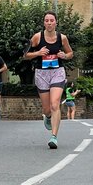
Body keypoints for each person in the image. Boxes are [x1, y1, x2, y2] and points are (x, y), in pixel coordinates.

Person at [24, 10, 73, 149]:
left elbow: (70, 53)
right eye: (47, 20)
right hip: (42, 74)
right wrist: (38, 53)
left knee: (55, 104)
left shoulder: (62, 38)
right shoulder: (37, 37)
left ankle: (54, 137)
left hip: (57, 72)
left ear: (56, 22)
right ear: (44, 23)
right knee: (47, 109)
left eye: (52, 20)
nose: (49, 23)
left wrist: (64, 55)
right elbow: (25, 54)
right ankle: (48, 117)